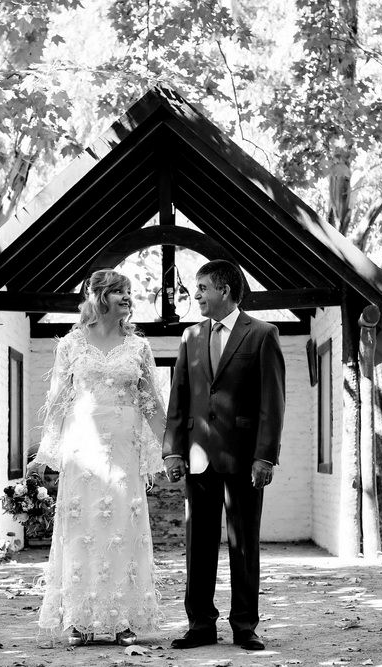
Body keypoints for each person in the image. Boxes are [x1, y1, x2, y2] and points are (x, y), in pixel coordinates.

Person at [29, 269, 166, 647]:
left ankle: (123, 619)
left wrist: (169, 449)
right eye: (120, 292)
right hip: (82, 451)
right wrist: (43, 454)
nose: (127, 298)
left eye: (129, 293)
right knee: (81, 530)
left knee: (123, 529)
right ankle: (79, 620)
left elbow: (151, 402)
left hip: (124, 448)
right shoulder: (71, 344)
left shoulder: (139, 346)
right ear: (100, 296)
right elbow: (57, 402)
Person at [162, 259, 285, 652]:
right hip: (197, 458)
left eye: (202, 288)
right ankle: (200, 625)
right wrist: (172, 451)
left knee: (243, 546)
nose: (195, 295)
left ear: (225, 291)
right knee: (198, 546)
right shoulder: (190, 336)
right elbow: (178, 396)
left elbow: (273, 401)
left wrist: (265, 456)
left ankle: (244, 626)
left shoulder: (262, 334)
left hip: (245, 459)